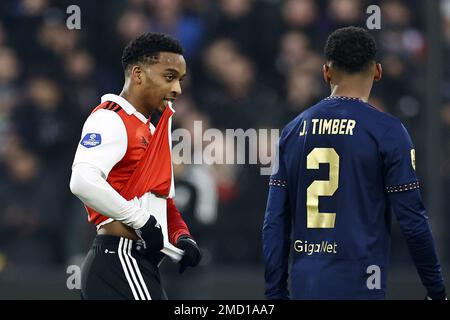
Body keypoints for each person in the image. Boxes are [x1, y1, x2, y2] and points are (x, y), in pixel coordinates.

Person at [262, 26, 446, 300]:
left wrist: (275, 293)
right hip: (361, 282)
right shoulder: (387, 131)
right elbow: (413, 221)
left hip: (306, 282)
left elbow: (274, 222)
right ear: (377, 71)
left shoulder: (292, 131)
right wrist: (435, 288)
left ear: (326, 72)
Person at [70, 33, 201, 300]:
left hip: (132, 263)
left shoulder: (152, 129)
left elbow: (162, 201)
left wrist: (181, 237)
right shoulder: (110, 118)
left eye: (180, 80)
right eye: (169, 76)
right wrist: (142, 221)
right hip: (120, 259)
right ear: (138, 74)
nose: (177, 89)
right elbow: (82, 180)